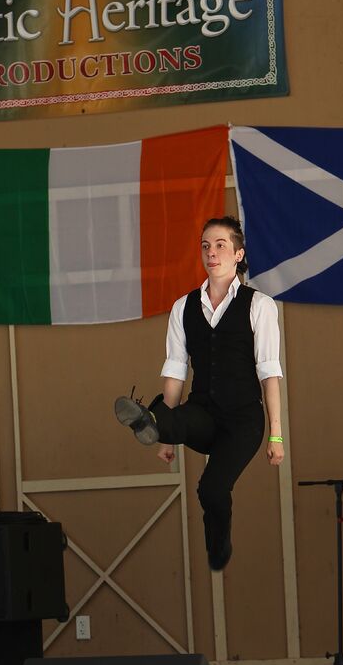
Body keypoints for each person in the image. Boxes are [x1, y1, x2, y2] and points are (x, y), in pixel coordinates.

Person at [115, 215, 284, 571]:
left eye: (220, 245)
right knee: (175, 416)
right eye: (206, 246)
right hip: (203, 411)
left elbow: (269, 372)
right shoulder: (183, 307)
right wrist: (165, 437)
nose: (211, 252)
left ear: (238, 254)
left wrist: (276, 434)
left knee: (211, 489)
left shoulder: (260, 305)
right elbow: (176, 371)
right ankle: (153, 422)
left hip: (242, 421)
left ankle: (218, 547)